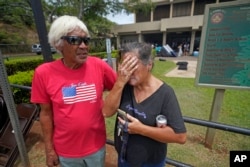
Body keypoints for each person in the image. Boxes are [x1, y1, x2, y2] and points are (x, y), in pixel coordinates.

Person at [30, 15, 116, 167]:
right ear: (58, 44)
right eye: (75, 40)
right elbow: (45, 113)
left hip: (96, 147)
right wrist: (49, 150)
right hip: (65, 151)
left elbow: (119, 88)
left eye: (86, 40)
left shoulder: (98, 66)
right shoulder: (43, 73)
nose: (83, 46)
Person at [102, 42, 187, 167]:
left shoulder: (165, 93)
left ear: (149, 65)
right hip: (124, 157)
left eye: (133, 66)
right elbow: (106, 112)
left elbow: (180, 136)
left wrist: (141, 129)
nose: (128, 72)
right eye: (125, 66)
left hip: (150, 162)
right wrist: (119, 83)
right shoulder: (124, 85)